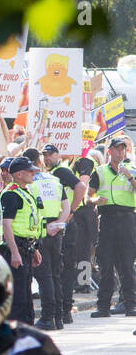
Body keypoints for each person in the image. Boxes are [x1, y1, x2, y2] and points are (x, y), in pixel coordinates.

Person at [88, 136, 136, 318]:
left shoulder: (132, 170)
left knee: (127, 264)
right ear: (110, 151)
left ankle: (130, 304)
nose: (120, 152)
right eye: (116, 149)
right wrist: (95, 200)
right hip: (107, 219)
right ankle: (103, 306)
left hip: (127, 220)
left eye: (123, 149)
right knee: (106, 264)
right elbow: (88, 196)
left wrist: (129, 176)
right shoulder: (100, 172)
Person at [24, 148, 67, 331]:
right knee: (55, 275)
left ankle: (48, 317)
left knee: (44, 276)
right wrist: (58, 224)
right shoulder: (55, 180)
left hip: (40, 232)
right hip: (56, 231)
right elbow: (65, 208)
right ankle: (59, 317)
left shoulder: (30, 183)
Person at [1, 157, 44, 324]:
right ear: (19, 174)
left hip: (26, 247)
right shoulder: (11, 194)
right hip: (16, 247)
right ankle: (17, 333)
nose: (33, 173)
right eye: (30, 171)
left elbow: (28, 225)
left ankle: (27, 330)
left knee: (25, 294)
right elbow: (6, 225)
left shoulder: (24, 191)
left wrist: (34, 249)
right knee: (18, 296)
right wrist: (14, 252)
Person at [55, 149, 97, 318]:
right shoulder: (65, 165)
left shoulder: (84, 162)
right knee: (75, 252)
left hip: (82, 212)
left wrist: (72, 209)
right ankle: (79, 283)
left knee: (83, 250)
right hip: (73, 212)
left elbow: (83, 184)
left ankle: (83, 283)